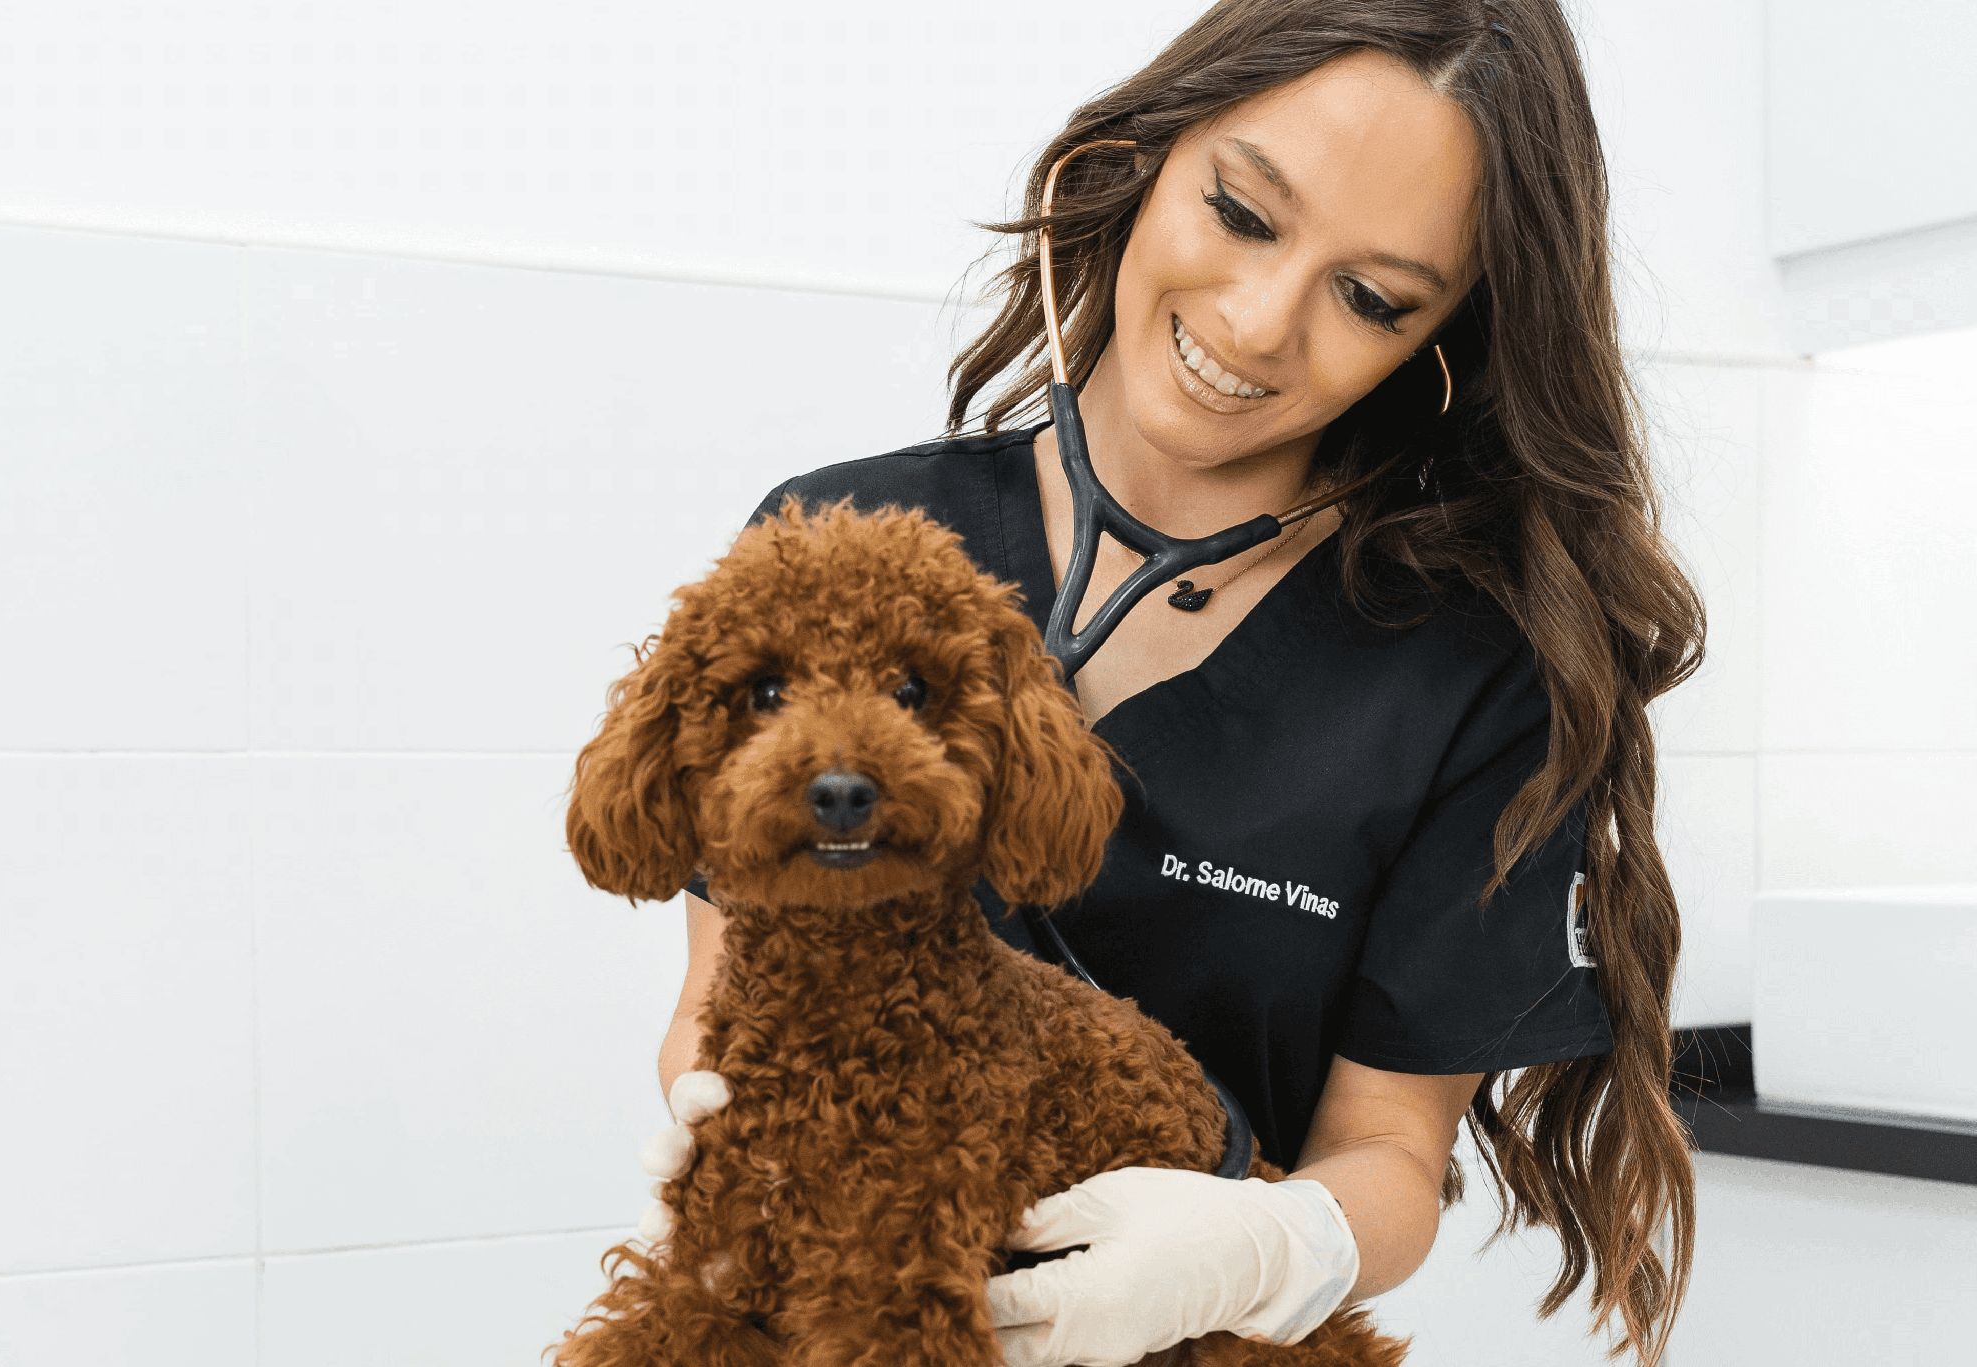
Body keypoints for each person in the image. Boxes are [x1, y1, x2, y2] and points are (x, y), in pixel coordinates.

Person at [637, 3, 1702, 1364]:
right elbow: (720, 993)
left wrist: (1270, 1247)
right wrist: (726, 1129)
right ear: (1147, 151)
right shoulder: (830, 533)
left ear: (1440, 343)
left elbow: (1385, 1146)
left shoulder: (1467, 677)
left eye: (1372, 298)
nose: (1258, 328)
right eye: (1245, 214)